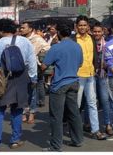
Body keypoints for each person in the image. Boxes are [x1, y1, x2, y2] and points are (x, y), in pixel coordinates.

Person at [0, 18, 37, 151]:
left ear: (2, 30)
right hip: (21, 77)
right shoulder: (24, 41)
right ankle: (15, 139)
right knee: (17, 109)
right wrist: (33, 78)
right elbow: (32, 60)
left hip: (3, 78)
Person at [41, 23, 84, 152]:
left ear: (58, 33)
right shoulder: (77, 46)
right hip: (74, 82)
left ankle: (56, 146)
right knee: (74, 112)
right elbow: (80, 63)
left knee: (56, 116)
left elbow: (44, 66)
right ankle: (77, 140)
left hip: (59, 83)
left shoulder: (56, 48)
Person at [74, 15, 106, 140]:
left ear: (88, 26)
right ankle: (75, 130)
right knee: (76, 105)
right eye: (80, 25)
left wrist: (97, 67)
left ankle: (96, 130)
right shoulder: (73, 40)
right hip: (77, 76)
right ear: (77, 26)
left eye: (84, 25)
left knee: (92, 103)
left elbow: (96, 55)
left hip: (91, 75)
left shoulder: (92, 39)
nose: (82, 27)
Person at [20, 20, 50, 124]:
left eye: (23, 28)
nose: (21, 29)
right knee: (22, 92)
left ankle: (32, 113)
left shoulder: (37, 39)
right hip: (22, 68)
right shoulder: (20, 39)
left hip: (33, 68)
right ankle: (23, 112)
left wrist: (40, 55)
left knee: (32, 92)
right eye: (21, 27)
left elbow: (47, 48)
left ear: (30, 29)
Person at [91, 21, 113, 136]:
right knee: (91, 101)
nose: (96, 33)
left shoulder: (107, 44)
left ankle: (108, 124)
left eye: (99, 31)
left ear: (103, 32)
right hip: (90, 75)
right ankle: (89, 124)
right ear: (91, 32)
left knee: (105, 100)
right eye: (94, 31)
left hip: (103, 76)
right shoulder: (89, 43)